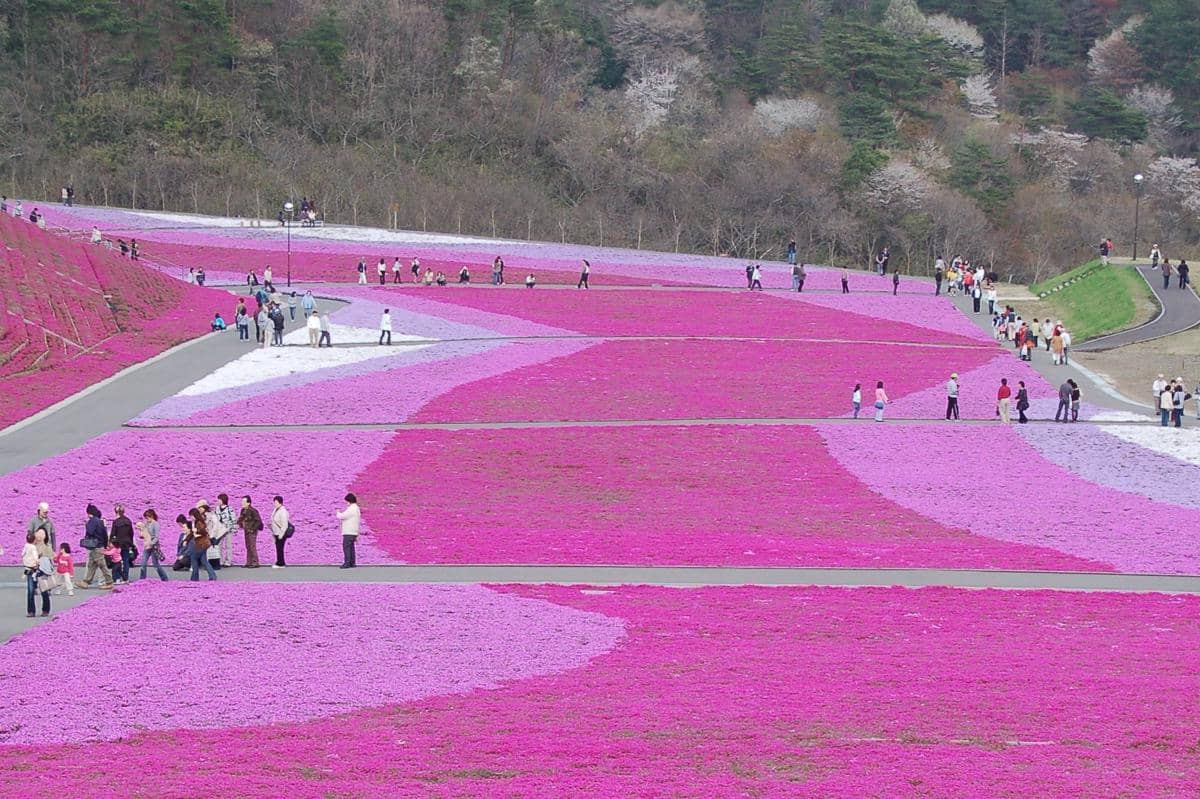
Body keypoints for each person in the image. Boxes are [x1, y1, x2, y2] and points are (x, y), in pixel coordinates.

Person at [77, 504, 113, 590]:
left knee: (102, 565)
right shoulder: (100, 521)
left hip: (95, 546)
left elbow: (90, 531)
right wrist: (105, 544)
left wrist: (87, 524)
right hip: (99, 545)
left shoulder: (92, 521)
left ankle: (109, 581)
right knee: (91, 564)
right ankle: (86, 581)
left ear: (89, 513)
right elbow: (105, 535)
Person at [22, 532, 51, 618]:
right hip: (31, 569)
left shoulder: (47, 546)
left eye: (42, 533)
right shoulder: (31, 546)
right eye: (38, 533)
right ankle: (31, 611)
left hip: (42, 570)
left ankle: (45, 609)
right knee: (30, 590)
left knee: (44, 590)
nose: (40, 535)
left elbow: (50, 557)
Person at [136, 510, 168, 581]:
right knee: (143, 563)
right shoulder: (147, 523)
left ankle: (164, 578)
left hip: (154, 546)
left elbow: (156, 537)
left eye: (148, 517)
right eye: (146, 518)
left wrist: (151, 543)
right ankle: (142, 579)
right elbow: (145, 532)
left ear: (152, 516)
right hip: (147, 545)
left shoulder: (156, 524)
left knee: (155, 563)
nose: (147, 519)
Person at [110, 504, 136, 585]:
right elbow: (131, 533)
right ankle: (126, 578)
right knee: (126, 561)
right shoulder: (128, 521)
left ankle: (117, 578)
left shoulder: (116, 522)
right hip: (127, 543)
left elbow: (113, 533)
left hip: (118, 544)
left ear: (116, 512)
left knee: (117, 561)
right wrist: (131, 543)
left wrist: (111, 542)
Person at [188, 508, 216, 581]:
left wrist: (196, 531)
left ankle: (195, 577)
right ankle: (212, 576)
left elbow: (203, 531)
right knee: (204, 561)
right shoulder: (197, 522)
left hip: (201, 544)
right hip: (204, 544)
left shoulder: (199, 522)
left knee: (194, 558)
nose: (190, 518)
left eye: (191, 516)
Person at [238, 495, 263, 569]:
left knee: (252, 546)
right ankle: (249, 562)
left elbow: (258, 521)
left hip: (252, 531)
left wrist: (253, 529)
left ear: (248, 503)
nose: (242, 503)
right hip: (246, 530)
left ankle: (255, 562)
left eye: (244, 501)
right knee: (248, 546)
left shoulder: (253, 510)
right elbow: (241, 519)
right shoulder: (243, 510)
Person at [338, 493, 361, 569]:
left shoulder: (351, 508)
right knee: (351, 547)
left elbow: (342, 516)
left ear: (349, 501)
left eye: (347, 501)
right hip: (353, 531)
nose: (346, 503)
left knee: (346, 547)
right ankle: (352, 562)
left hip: (349, 531)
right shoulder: (356, 508)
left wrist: (338, 513)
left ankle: (347, 563)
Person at [216, 494, 238, 567]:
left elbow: (233, 519)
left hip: (228, 529)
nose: (218, 501)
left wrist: (234, 528)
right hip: (220, 530)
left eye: (219, 499)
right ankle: (220, 561)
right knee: (219, 546)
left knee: (228, 545)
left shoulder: (229, 508)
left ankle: (228, 561)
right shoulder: (217, 508)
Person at [270, 496, 291, 569]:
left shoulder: (283, 511)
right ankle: (279, 561)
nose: (274, 504)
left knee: (280, 548)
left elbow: (284, 524)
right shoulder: (276, 510)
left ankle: (281, 563)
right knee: (278, 548)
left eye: (276, 502)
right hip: (276, 532)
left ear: (280, 503)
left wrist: (281, 534)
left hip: (280, 533)